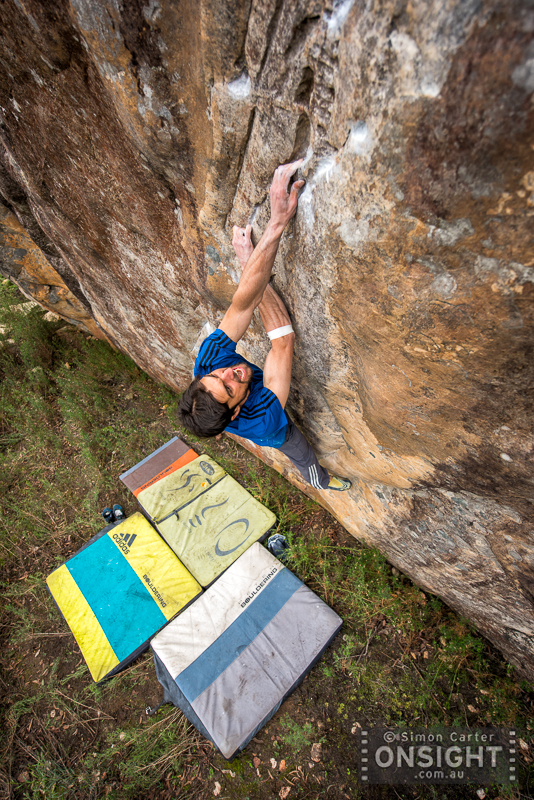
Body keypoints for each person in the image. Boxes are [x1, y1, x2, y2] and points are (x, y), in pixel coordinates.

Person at [178, 160, 351, 492]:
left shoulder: (209, 363)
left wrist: (267, 236)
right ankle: (322, 483)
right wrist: (275, 226)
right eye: (228, 388)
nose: (229, 372)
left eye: (216, 377)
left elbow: (244, 302)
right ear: (236, 409)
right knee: (302, 456)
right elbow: (282, 340)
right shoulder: (262, 417)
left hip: (244, 400)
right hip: (276, 432)